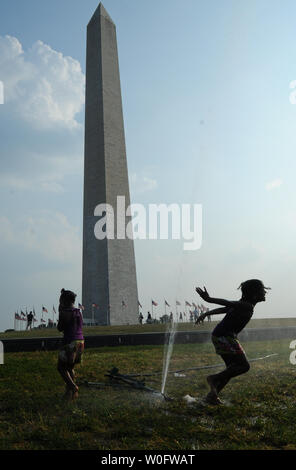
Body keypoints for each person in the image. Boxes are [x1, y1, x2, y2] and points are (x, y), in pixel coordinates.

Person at [195, 280, 270, 405]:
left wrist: (207, 313)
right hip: (225, 337)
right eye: (262, 290)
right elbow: (227, 303)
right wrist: (209, 299)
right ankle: (213, 379)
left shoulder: (243, 305)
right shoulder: (247, 306)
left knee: (231, 369)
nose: (265, 292)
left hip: (221, 336)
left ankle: (212, 396)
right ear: (254, 294)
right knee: (244, 366)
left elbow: (225, 308)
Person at [57, 288, 84, 400]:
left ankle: (73, 387)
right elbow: (80, 325)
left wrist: (60, 313)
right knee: (70, 367)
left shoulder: (65, 313)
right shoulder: (78, 311)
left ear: (64, 301)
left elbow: (60, 328)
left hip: (70, 342)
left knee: (61, 367)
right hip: (80, 341)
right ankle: (69, 394)